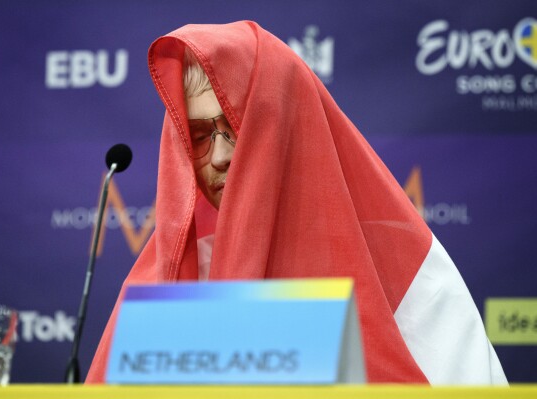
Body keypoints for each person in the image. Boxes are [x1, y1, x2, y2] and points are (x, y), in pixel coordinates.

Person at [86, 21, 507, 384]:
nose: (219, 156)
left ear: (287, 126)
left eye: (237, 128)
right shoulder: (166, 277)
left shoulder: (405, 272)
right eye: (198, 136)